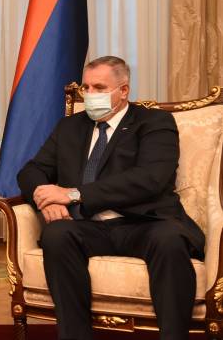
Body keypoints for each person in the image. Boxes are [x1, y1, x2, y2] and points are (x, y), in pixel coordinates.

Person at [17, 55, 205, 340]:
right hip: (89, 226)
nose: (90, 94)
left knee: (169, 240)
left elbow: (151, 178)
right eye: (86, 88)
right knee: (57, 234)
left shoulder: (154, 122)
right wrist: (47, 200)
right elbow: (31, 171)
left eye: (100, 88)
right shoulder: (70, 127)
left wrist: (72, 194)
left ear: (124, 90)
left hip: (145, 223)